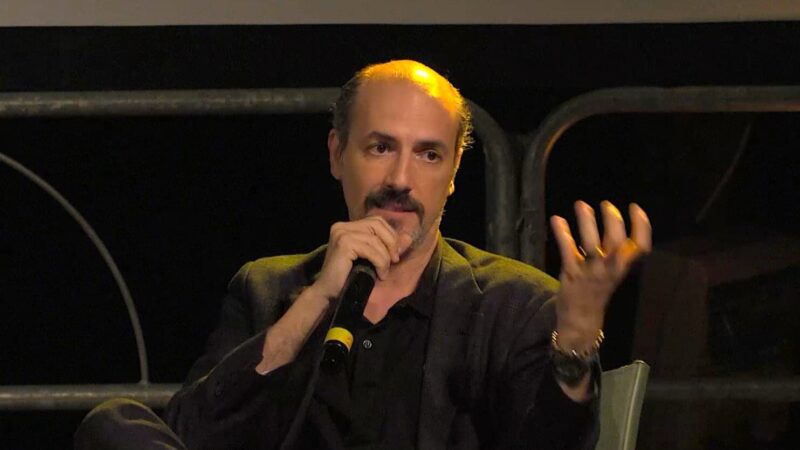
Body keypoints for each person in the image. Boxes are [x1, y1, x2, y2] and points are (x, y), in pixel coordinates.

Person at [75, 59, 651, 449]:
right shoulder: (266, 288)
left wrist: (575, 343)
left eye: (428, 155)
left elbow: (553, 443)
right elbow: (191, 434)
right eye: (380, 147)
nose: (400, 179)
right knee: (112, 423)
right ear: (337, 154)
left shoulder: (516, 305)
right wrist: (317, 300)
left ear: (452, 173)